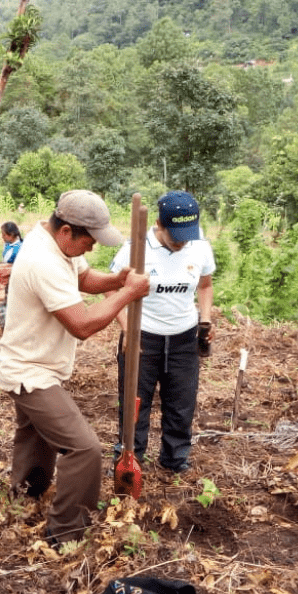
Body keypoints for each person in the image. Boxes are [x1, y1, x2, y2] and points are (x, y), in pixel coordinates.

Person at [0, 190, 149, 546]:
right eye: (89, 240)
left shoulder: (53, 243)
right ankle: (65, 533)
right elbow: (81, 324)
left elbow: (83, 279)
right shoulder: (42, 260)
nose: (92, 248)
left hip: (34, 363)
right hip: (30, 371)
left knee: (37, 440)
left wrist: (116, 281)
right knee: (84, 450)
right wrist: (126, 295)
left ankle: (25, 501)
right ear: (66, 232)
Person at [110, 190, 215, 474]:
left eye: (187, 235)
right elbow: (112, 288)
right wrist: (127, 331)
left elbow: (205, 286)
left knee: (181, 404)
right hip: (143, 336)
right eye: (175, 235)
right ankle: (130, 458)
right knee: (135, 404)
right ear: (159, 224)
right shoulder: (135, 250)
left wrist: (205, 320)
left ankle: (174, 458)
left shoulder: (200, 247)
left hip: (184, 338)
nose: (182, 242)